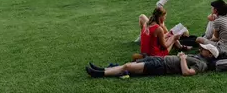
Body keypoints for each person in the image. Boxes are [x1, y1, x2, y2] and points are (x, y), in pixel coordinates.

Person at [86, 43, 219, 78]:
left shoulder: (202, 64)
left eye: (205, 49)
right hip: (160, 59)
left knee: (128, 66)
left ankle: (99, 73)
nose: (201, 49)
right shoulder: (199, 57)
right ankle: (102, 69)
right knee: (130, 65)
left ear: (210, 55)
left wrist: (183, 58)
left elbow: (187, 72)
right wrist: (182, 55)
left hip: (162, 66)